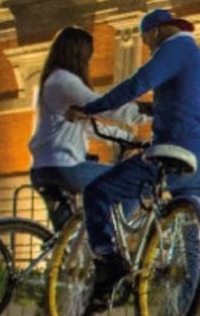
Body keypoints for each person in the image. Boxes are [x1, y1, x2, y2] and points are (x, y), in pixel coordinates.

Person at [68, 9, 200, 316]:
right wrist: (155, 109)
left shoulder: (173, 49)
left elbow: (137, 83)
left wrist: (90, 108)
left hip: (172, 149)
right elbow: (190, 103)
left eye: (146, 41)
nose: (149, 48)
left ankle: (108, 259)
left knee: (98, 192)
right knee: (190, 241)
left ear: (154, 33)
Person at [30, 26, 144, 231]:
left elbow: (88, 125)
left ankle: (76, 254)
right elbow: (102, 106)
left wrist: (127, 137)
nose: (88, 62)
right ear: (78, 53)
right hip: (65, 167)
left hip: (42, 169)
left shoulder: (53, 80)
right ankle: (106, 242)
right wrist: (145, 112)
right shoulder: (65, 81)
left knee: (65, 240)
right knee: (136, 183)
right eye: (88, 55)